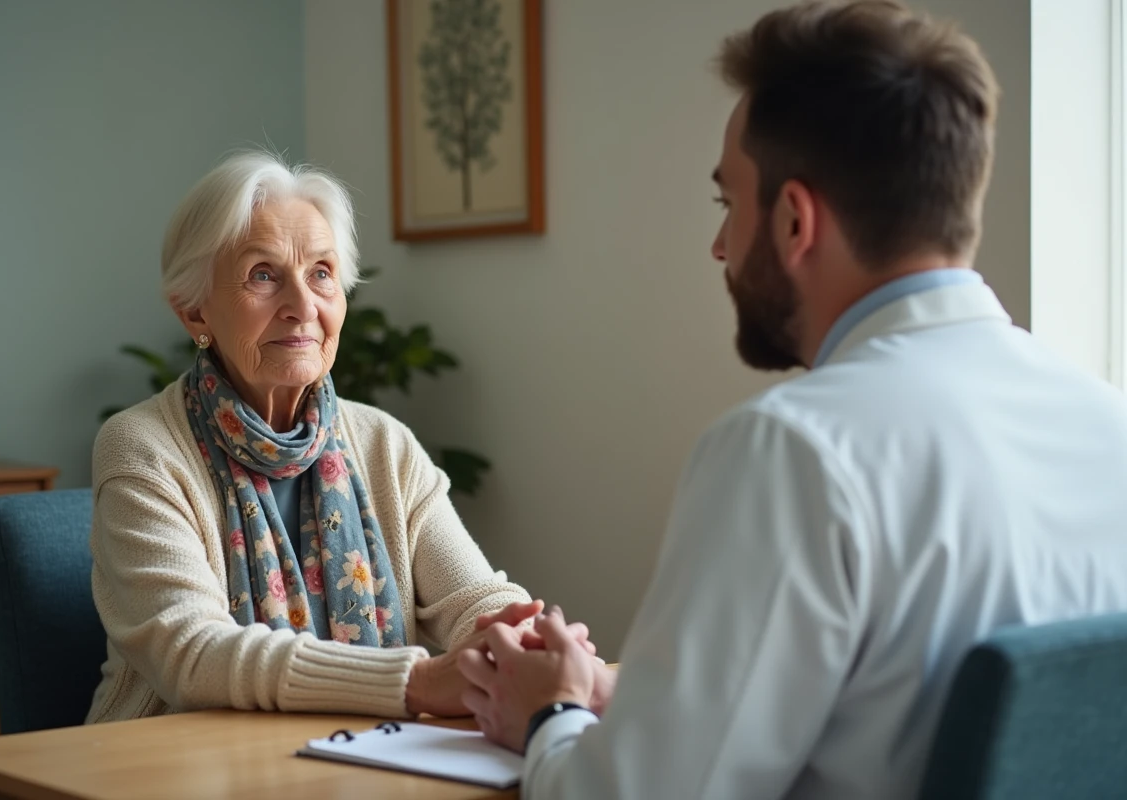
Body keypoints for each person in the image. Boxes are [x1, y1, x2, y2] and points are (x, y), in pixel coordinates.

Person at [457, 1, 1127, 797]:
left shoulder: (796, 452)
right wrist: (630, 703)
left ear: (794, 219)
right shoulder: (1107, 424)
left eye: (727, 204)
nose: (718, 246)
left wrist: (551, 714)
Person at [85, 151, 591, 723]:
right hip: (174, 765)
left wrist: (534, 642)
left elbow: (473, 600)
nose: (303, 307)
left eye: (321, 274)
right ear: (194, 312)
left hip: (361, 755)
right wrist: (419, 681)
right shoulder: (141, 448)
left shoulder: (383, 443)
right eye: (263, 275)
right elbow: (194, 655)